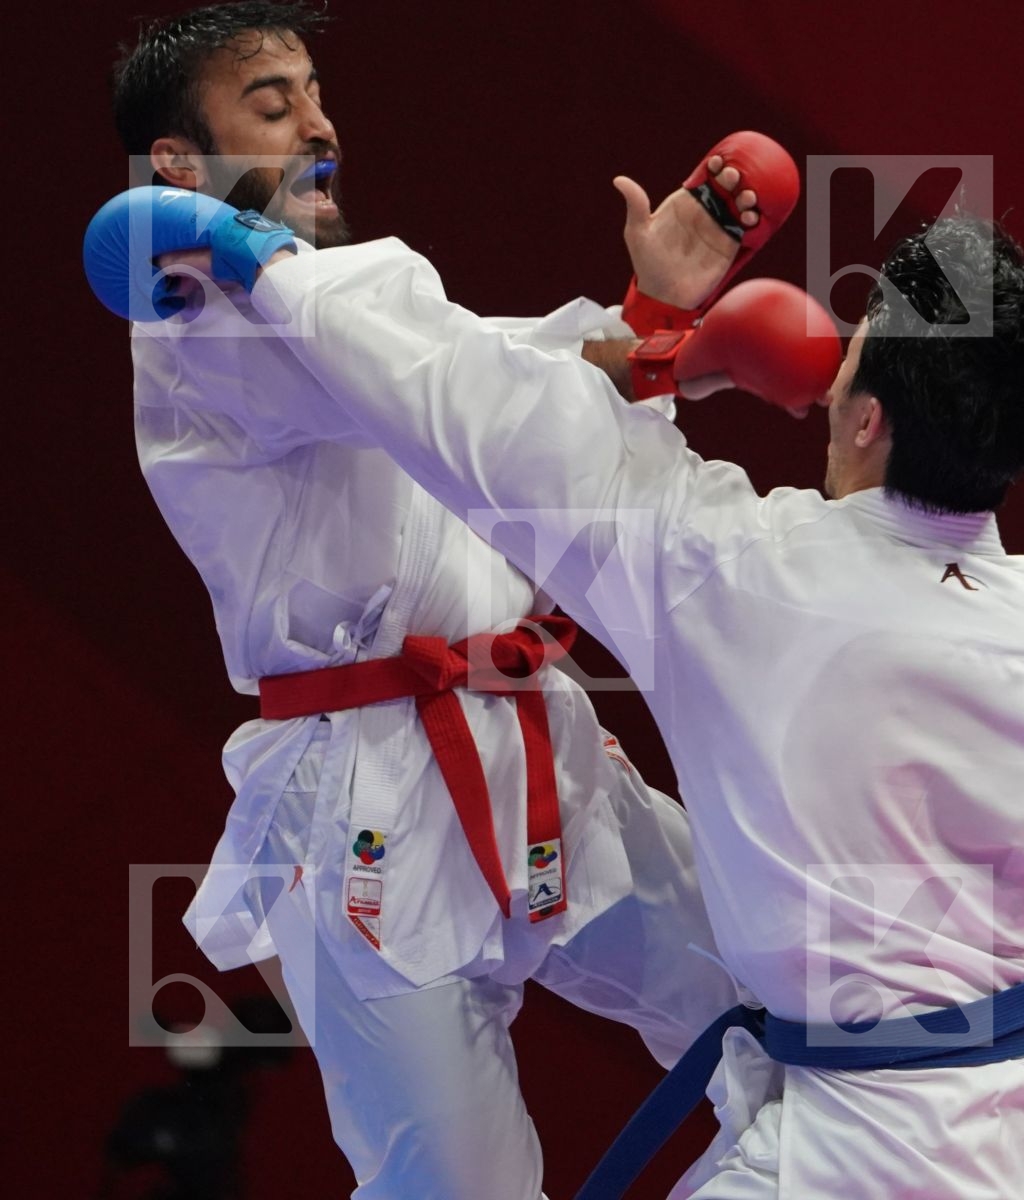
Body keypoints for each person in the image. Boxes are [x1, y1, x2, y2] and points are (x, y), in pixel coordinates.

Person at [132, 200, 1024, 1196]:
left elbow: (472, 406)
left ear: (867, 417)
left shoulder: (744, 574)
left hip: (859, 1151)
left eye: (851, 357)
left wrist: (274, 266)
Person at [104, 4, 775, 1196]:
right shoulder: (208, 329)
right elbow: (468, 382)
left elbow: (488, 380)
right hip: (367, 816)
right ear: (177, 164)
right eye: (271, 106)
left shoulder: (355, 316)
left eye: (315, 93)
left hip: (535, 754)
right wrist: (650, 342)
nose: (318, 125)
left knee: (786, 1020)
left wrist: (655, 317)